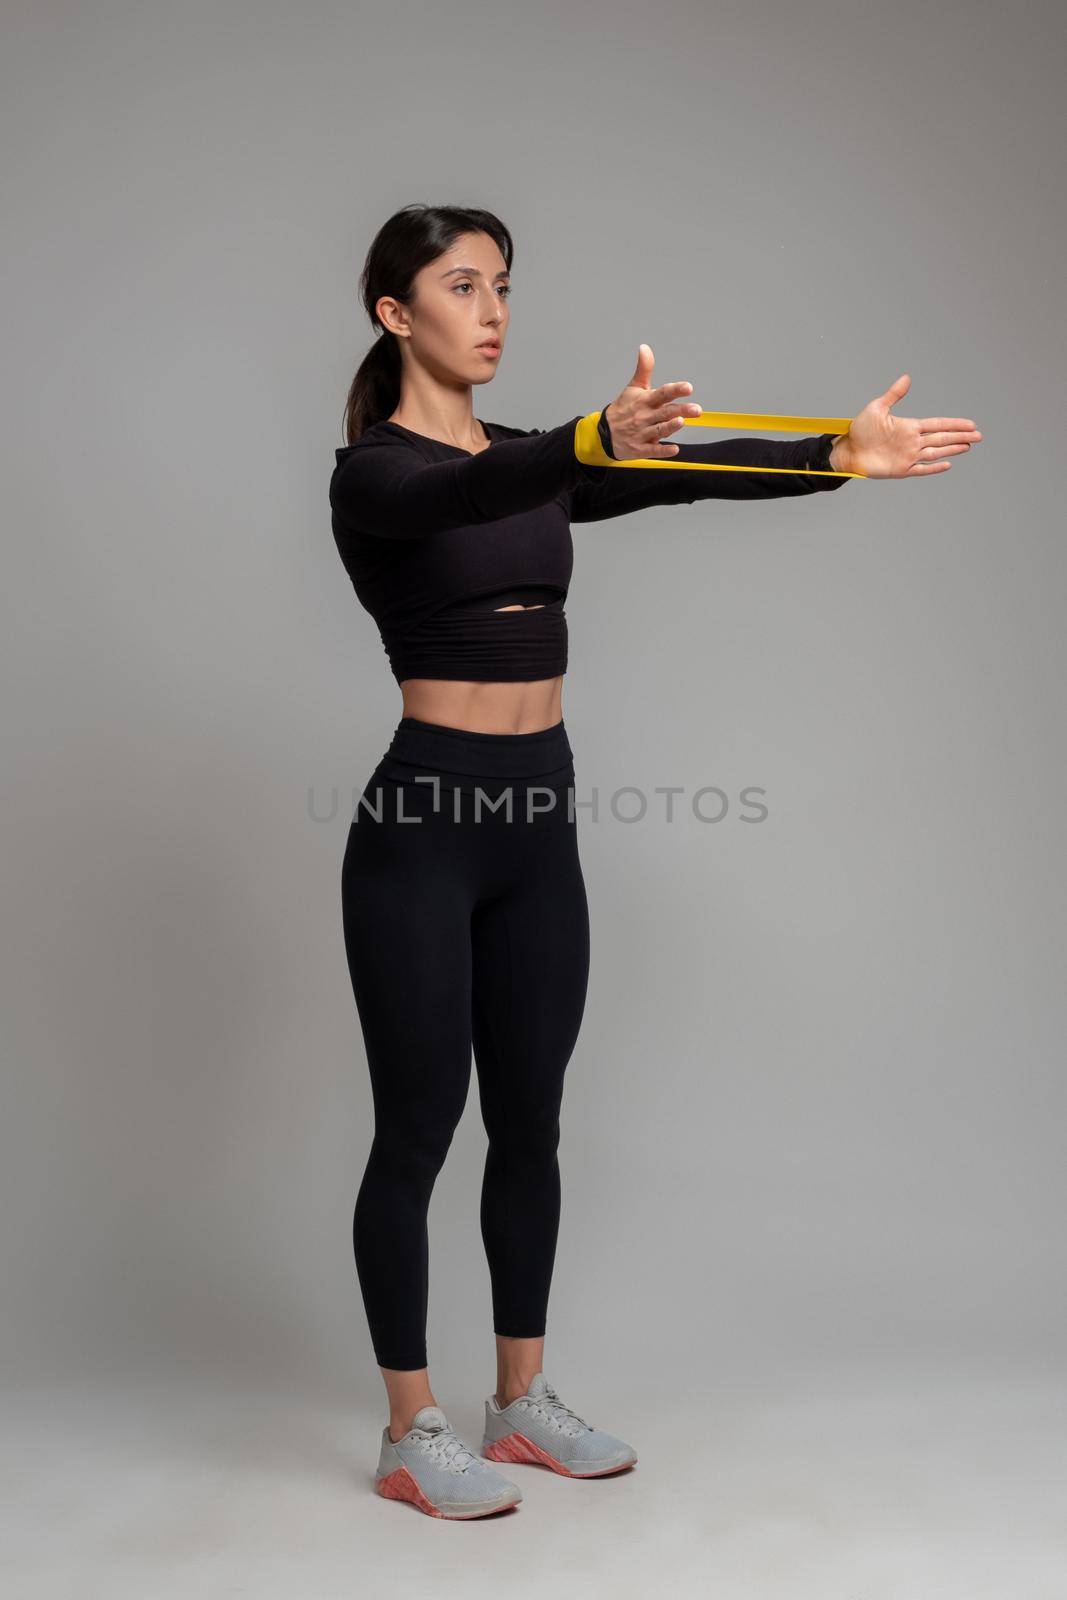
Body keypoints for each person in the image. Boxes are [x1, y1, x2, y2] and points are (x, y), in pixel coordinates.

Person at [329, 203, 981, 1520]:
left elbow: (690, 471)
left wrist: (835, 457)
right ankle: (412, 1431)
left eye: (503, 285)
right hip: (423, 834)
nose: (494, 309)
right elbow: (470, 490)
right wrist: (581, 439)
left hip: (539, 825)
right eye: (463, 286)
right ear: (397, 313)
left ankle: (519, 1404)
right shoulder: (375, 474)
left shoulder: (532, 457)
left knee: (533, 1122)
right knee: (416, 1133)